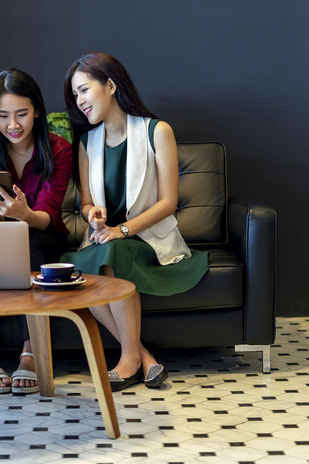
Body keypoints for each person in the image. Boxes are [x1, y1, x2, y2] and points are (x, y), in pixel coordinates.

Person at [61, 53, 209, 391]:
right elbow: (85, 202)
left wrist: (121, 230)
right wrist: (92, 214)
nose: (80, 101)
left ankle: (127, 363)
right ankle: (144, 358)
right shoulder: (86, 143)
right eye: (75, 95)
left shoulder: (158, 131)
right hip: (103, 239)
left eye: (84, 90)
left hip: (146, 239)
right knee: (80, 272)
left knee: (116, 255)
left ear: (111, 85)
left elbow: (168, 202)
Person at [0, 68, 73, 394]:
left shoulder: (58, 150)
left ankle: (33, 349)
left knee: (26, 237)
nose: (12, 125)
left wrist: (22, 214)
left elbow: (47, 216)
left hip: (43, 236)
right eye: (2, 116)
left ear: (37, 110)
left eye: (21, 114)